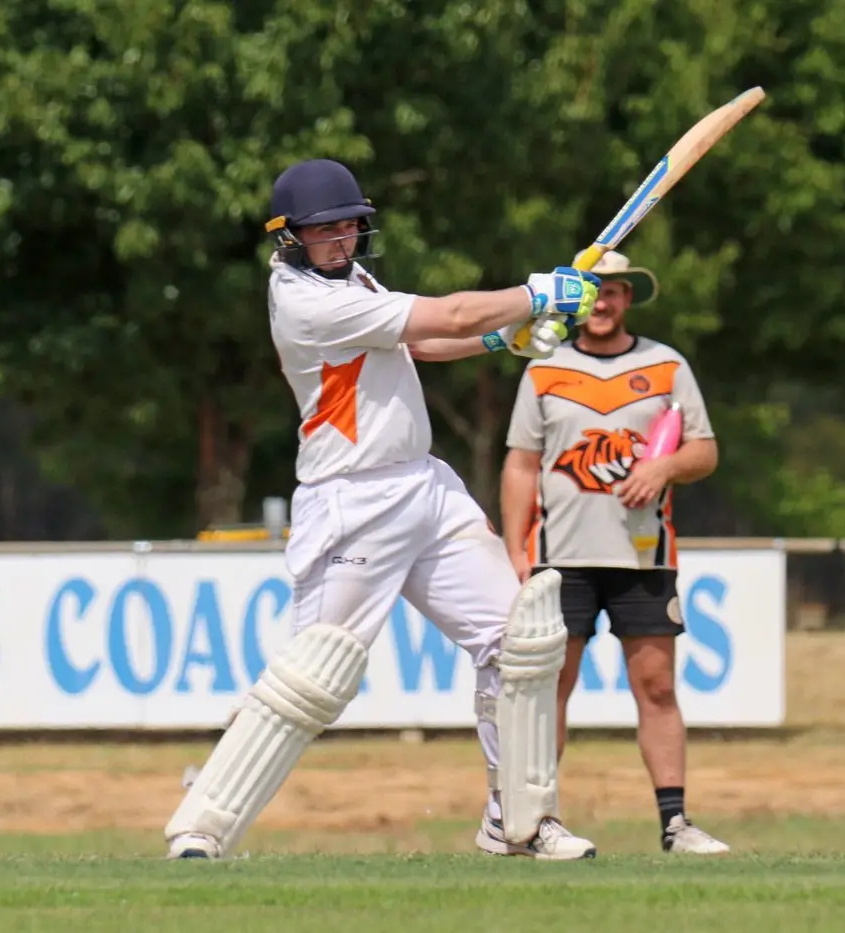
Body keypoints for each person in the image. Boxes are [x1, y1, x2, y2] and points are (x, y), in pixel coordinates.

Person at [163, 157, 602, 861]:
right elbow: (449, 310)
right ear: (289, 238)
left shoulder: (351, 281)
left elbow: (422, 337)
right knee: (313, 679)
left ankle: (517, 818)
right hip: (351, 502)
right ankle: (203, 819)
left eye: (349, 225)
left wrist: (503, 337)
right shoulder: (305, 302)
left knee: (518, 643)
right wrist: (536, 293)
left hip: (425, 489)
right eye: (324, 230)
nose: (340, 238)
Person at [499, 249, 730, 855]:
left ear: (628, 299)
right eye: (593, 293)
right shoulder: (544, 369)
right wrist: (514, 547)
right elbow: (521, 464)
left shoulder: (666, 366)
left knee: (655, 686)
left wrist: (665, 468)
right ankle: (530, 820)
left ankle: (675, 824)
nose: (602, 303)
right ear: (578, 301)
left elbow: (703, 451)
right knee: (552, 689)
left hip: (643, 558)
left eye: (615, 292)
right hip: (560, 558)